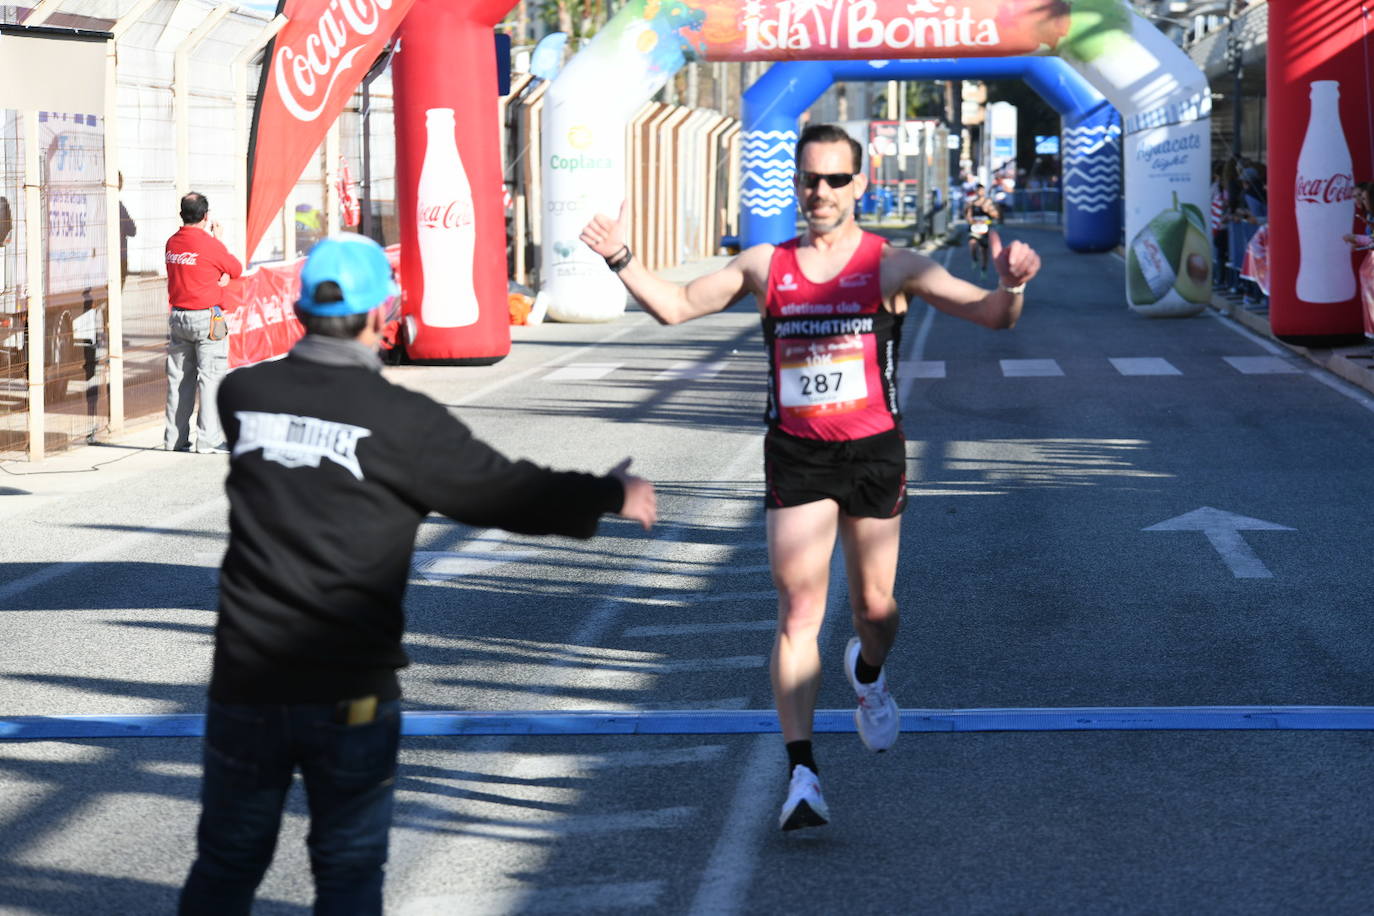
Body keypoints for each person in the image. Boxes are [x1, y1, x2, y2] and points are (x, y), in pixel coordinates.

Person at [579, 123, 1040, 832]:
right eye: (808, 180)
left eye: (833, 180)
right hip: (796, 455)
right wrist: (620, 257)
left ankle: (868, 675)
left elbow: (989, 317)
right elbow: (674, 306)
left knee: (874, 611)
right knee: (798, 611)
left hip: (872, 454)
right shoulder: (766, 265)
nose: (818, 193)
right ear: (795, 183)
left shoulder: (893, 266)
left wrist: (1010, 287)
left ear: (859, 185)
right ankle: (801, 772)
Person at [178, 233, 657, 914]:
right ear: (383, 317)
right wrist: (609, 492)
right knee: (346, 871)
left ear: (302, 310)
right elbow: (505, 492)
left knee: (226, 861)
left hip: (246, 678)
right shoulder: (404, 422)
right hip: (351, 686)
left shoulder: (245, 396)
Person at [164, 191, 242, 453]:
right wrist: (218, 241)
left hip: (178, 316)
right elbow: (236, 268)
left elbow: (199, 270)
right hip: (208, 317)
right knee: (211, 378)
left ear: (181, 214)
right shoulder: (209, 244)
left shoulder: (172, 243)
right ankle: (208, 439)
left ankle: (174, 439)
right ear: (206, 216)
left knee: (179, 379)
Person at [963, 184, 1001, 274]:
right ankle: (974, 258)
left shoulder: (988, 202)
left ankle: (984, 268)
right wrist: (971, 220)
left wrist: (988, 211)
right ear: (976, 192)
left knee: (984, 250)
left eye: (982, 190)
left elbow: (996, 215)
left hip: (985, 229)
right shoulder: (972, 203)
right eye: (979, 190)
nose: (980, 192)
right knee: (972, 243)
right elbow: (968, 216)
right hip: (975, 228)